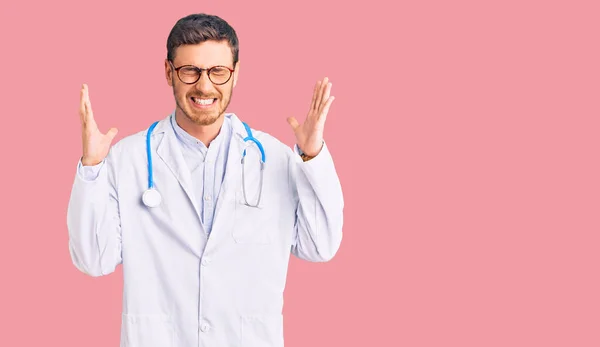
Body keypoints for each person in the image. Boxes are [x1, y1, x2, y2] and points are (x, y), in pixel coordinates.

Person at [67, 13, 344, 347]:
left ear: (235, 74)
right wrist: (92, 168)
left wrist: (312, 156)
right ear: (169, 72)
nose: (204, 85)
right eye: (190, 71)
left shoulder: (275, 158)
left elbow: (321, 246)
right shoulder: (128, 160)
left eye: (218, 72)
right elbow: (93, 260)